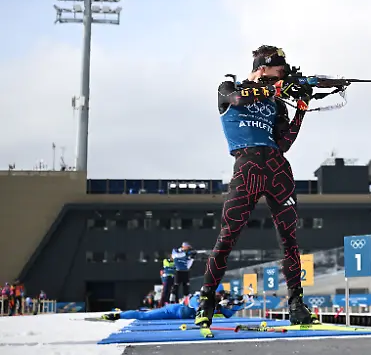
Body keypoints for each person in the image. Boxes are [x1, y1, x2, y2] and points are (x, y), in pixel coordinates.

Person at [195, 45, 314, 329]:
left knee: (290, 239)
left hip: (276, 167)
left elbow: (284, 142)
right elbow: (235, 99)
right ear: (262, 68)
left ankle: (296, 302)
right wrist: (275, 90)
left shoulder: (276, 102)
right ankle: (206, 299)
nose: (282, 77)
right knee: (228, 235)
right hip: (247, 165)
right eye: (279, 72)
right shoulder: (229, 86)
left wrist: (301, 110)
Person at [102, 286, 246, 321]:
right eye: (220, 294)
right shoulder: (200, 297)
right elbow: (198, 307)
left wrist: (239, 305)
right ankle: (117, 315)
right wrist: (215, 307)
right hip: (173, 310)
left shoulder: (216, 303)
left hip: (179, 317)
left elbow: (228, 314)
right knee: (144, 316)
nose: (221, 296)